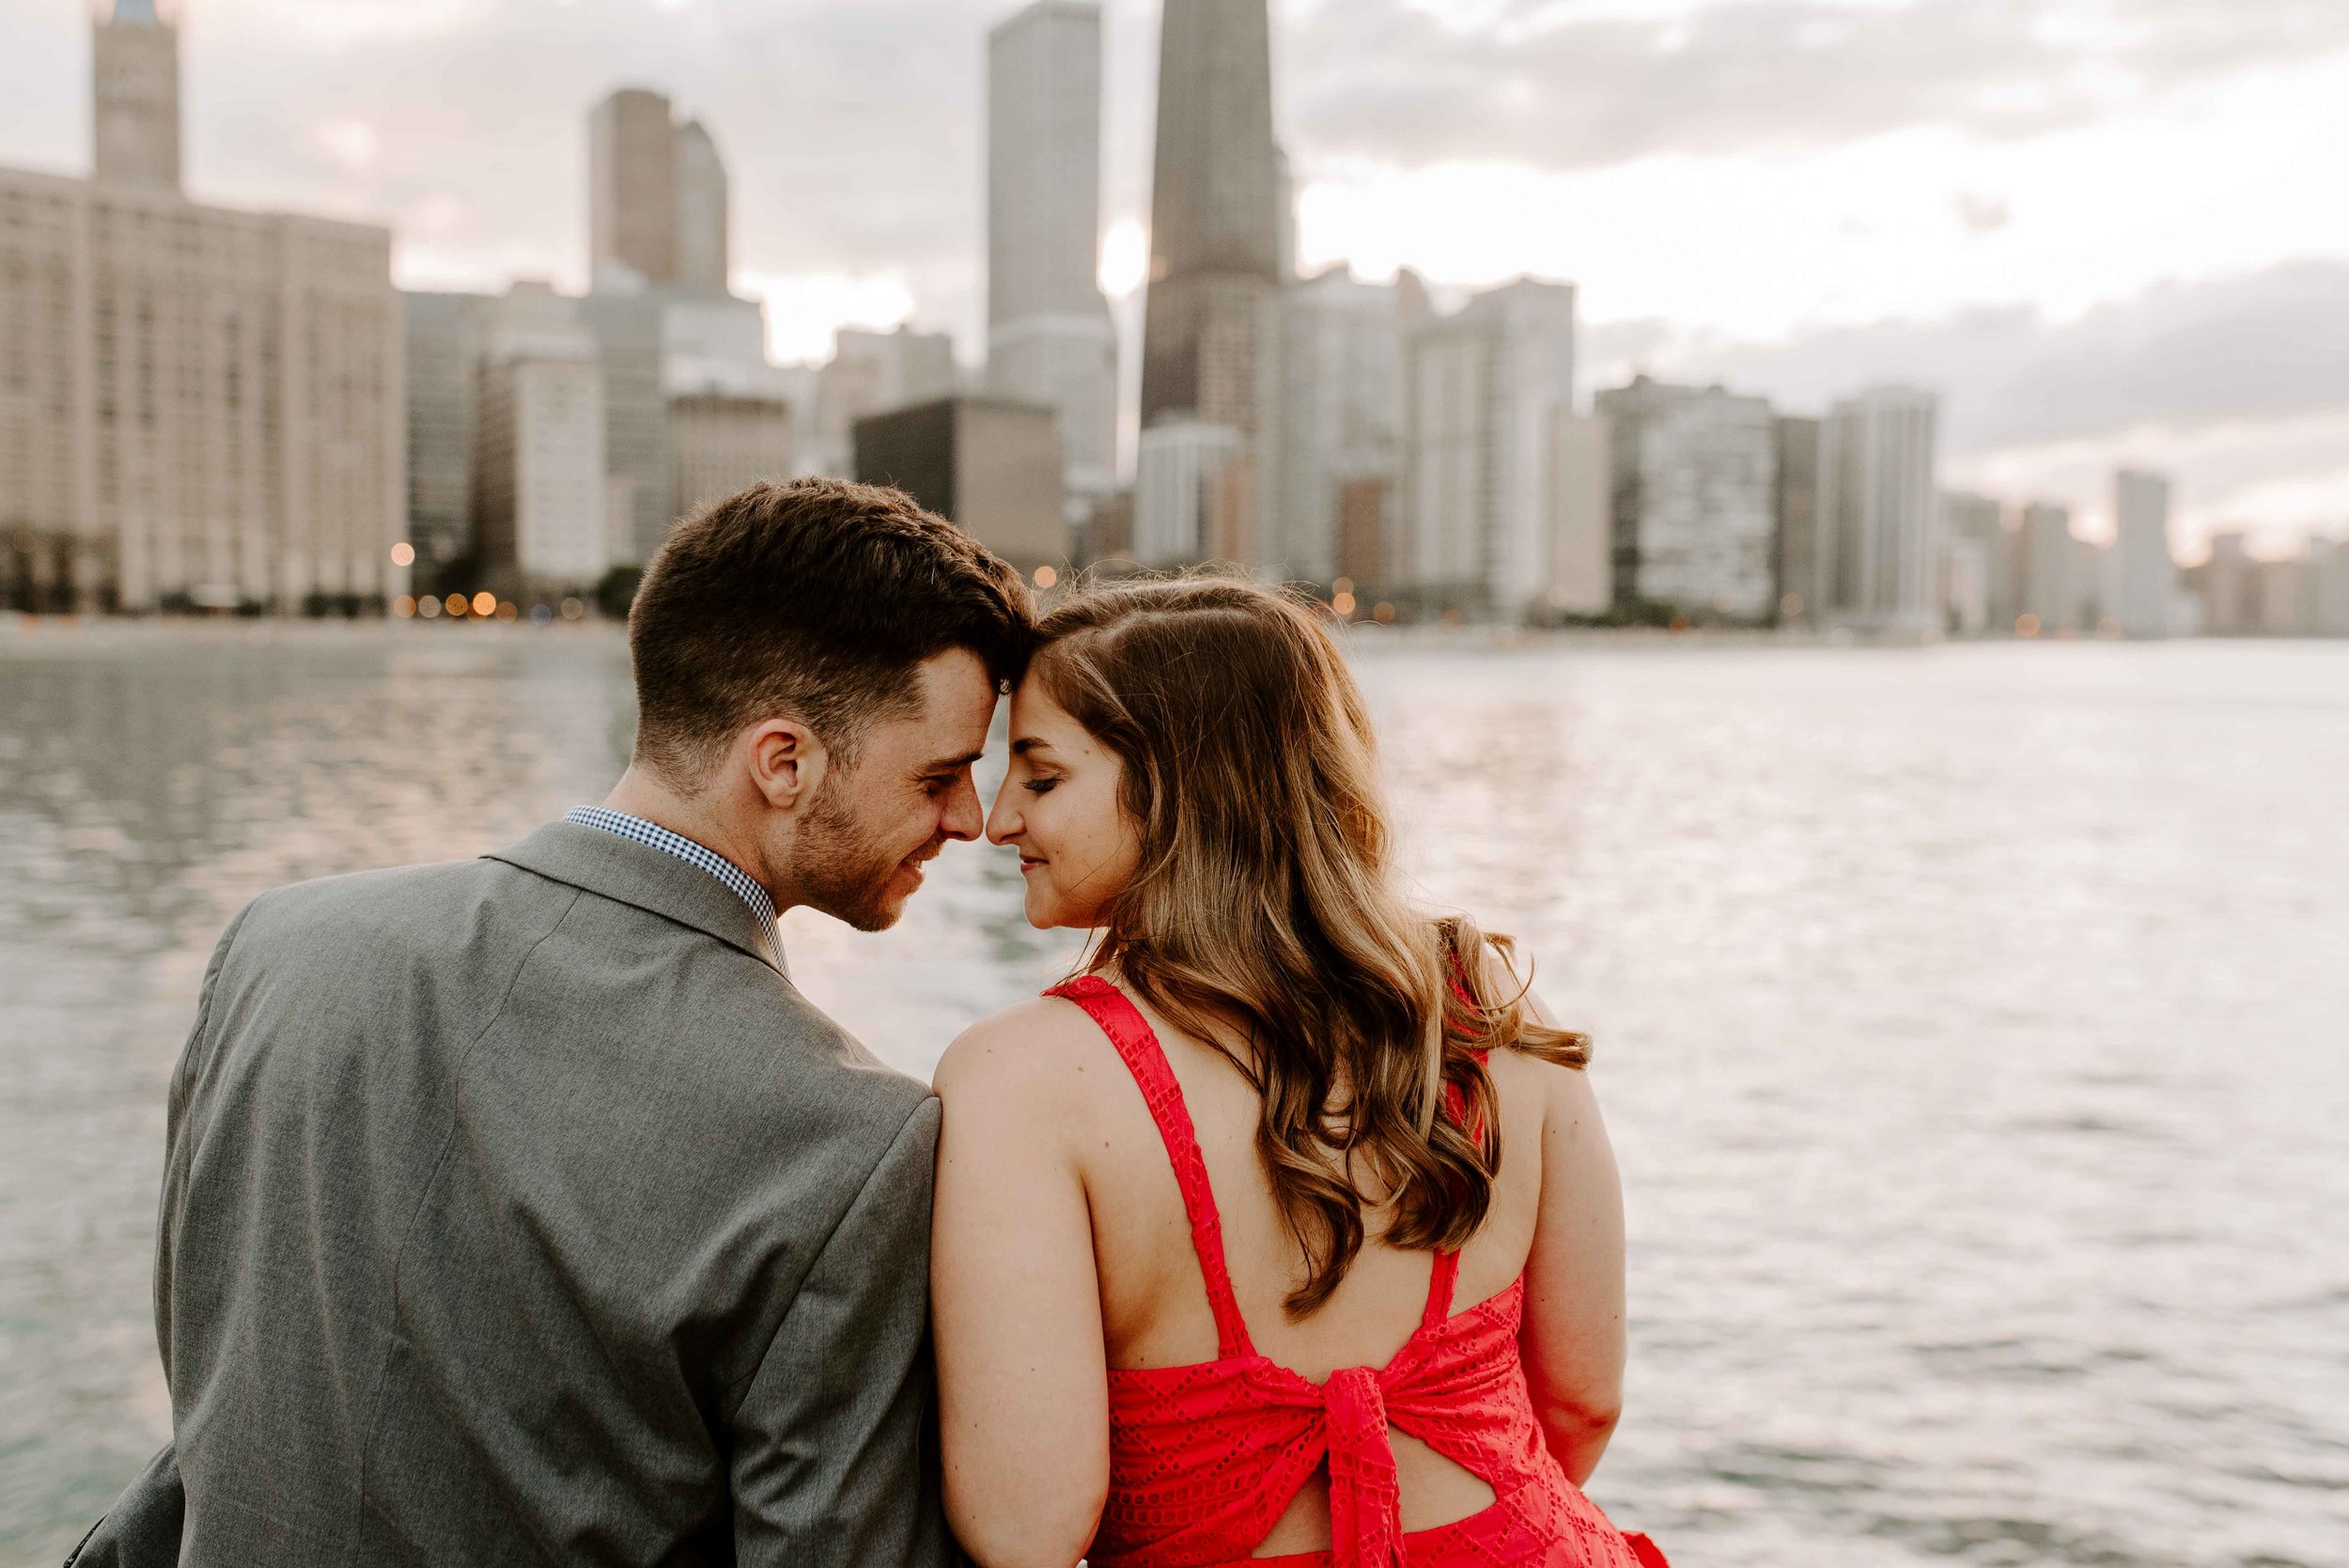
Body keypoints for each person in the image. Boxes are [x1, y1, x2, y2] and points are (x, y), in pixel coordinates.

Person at [67, 479, 1033, 1568]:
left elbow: (208, 1375)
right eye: (943, 773)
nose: (973, 818)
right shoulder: (850, 1141)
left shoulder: (275, 946)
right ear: (784, 762)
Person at [930, 579, 1666, 1568]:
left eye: (1042, 778)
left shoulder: (1021, 1081)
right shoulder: (1483, 997)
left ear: (1184, 784)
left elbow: (1027, 1527)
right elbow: (1581, 1400)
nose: (997, 819)